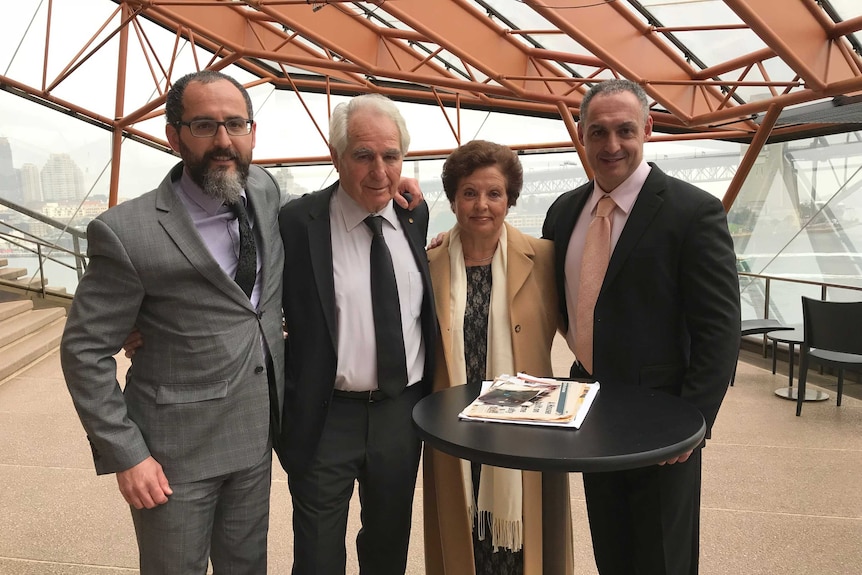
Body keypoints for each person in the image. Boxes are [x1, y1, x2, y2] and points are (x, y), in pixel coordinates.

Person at [60, 70, 285, 573]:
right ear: (174, 135)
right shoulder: (126, 232)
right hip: (172, 456)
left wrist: (389, 189)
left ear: (252, 131)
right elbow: (83, 350)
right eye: (205, 125)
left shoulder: (266, 191)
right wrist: (127, 454)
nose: (224, 140)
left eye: (235, 124)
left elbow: (319, 218)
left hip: (254, 437)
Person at [542, 78, 741, 575]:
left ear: (648, 129)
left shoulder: (693, 212)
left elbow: (719, 330)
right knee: (611, 545)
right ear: (582, 137)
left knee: (662, 555)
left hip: (663, 421)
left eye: (625, 130)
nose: (612, 145)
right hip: (589, 413)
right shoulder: (564, 212)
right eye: (598, 132)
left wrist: (692, 425)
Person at [276, 93, 437, 575]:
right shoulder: (296, 224)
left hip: (400, 412)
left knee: (389, 544)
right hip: (326, 416)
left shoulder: (413, 214)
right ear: (336, 157)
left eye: (391, 156)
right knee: (319, 553)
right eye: (364, 155)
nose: (380, 171)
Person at [423, 140, 574, 575]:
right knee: (462, 538)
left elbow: (586, 324)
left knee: (525, 545)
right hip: (453, 430)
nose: (481, 205)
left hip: (524, 430)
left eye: (494, 194)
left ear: (510, 199)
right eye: (469, 193)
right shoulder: (429, 263)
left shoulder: (543, 257)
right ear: (453, 199)